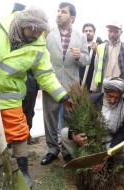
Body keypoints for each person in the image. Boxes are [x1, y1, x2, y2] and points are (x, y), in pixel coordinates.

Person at [0, 7, 73, 189]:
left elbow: (45, 74)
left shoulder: (39, 46)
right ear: (21, 24)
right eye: (32, 29)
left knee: (19, 132)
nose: (35, 34)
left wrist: (63, 96)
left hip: (10, 95)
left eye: (40, 30)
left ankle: (23, 171)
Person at [41, 2, 90, 165]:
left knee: (70, 118)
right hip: (51, 82)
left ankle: (67, 149)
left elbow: (86, 59)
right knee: (50, 116)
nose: (59, 14)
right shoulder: (47, 34)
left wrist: (79, 57)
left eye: (63, 12)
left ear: (72, 17)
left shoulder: (81, 37)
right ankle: (52, 150)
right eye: (58, 11)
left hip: (71, 84)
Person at [61, 77, 124, 165]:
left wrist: (109, 153)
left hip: (110, 141)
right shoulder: (91, 100)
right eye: (110, 96)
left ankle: (108, 160)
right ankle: (83, 158)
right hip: (90, 141)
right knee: (64, 133)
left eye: (117, 98)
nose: (113, 100)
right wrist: (74, 135)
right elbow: (75, 122)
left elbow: (122, 132)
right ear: (105, 92)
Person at [90, 21, 124, 95]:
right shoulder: (100, 47)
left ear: (121, 33)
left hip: (120, 90)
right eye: (110, 31)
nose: (112, 34)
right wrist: (94, 88)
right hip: (103, 88)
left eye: (116, 32)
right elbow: (96, 69)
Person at [79, 23, 101, 91]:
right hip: (79, 79)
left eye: (90, 31)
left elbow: (100, 63)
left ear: (94, 33)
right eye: (86, 31)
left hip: (92, 80)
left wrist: (95, 51)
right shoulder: (78, 46)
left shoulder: (99, 47)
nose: (88, 33)